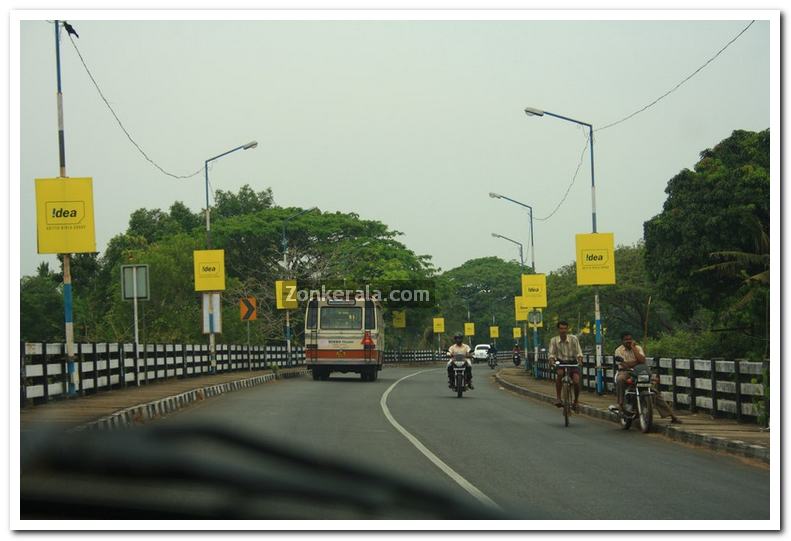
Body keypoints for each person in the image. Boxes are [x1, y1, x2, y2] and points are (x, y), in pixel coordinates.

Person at [547, 321, 583, 411]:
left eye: (565, 328)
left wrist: (580, 360)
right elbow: (551, 353)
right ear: (558, 330)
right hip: (561, 362)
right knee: (559, 374)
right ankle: (558, 398)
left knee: (576, 381)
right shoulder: (554, 340)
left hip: (572, 362)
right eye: (561, 328)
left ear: (567, 329)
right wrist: (551, 360)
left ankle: (576, 400)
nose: (563, 331)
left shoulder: (574, 339)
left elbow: (579, 352)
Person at [613, 331, 646, 412]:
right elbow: (625, 365)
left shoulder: (638, 348)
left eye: (630, 339)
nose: (628, 341)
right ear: (622, 341)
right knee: (620, 380)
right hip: (625, 371)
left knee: (651, 386)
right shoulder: (618, 350)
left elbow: (642, 360)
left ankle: (670, 414)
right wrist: (637, 362)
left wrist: (633, 348)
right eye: (626, 339)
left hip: (639, 371)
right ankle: (620, 403)